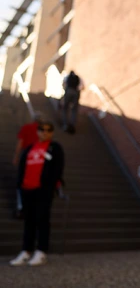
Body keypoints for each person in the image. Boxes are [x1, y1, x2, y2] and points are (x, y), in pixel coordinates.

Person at [10, 121, 65, 267]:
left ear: (52, 132)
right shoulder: (29, 148)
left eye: (48, 130)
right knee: (29, 221)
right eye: (41, 130)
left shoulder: (55, 148)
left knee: (42, 219)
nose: (44, 132)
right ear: (37, 132)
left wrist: (50, 185)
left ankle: (41, 251)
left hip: (43, 190)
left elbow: (58, 168)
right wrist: (20, 185)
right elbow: (22, 167)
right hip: (27, 189)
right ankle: (26, 251)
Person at [13, 112, 42, 219]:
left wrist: (16, 156)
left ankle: (21, 207)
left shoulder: (26, 127)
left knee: (21, 182)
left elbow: (20, 143)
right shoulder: (43, 131)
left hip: (27, 157)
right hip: (39, 158)